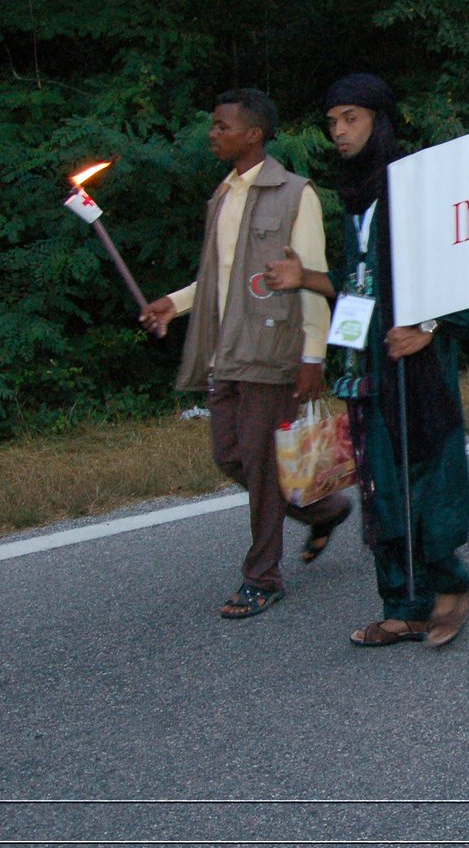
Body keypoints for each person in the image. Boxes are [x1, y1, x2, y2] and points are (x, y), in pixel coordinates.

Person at [270, 74, 469, 648]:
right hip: (367, 365)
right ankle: (402, 606)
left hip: (418, 367)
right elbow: (360, 282)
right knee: (380, 488)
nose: (339, 132)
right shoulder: (355, 196)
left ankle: (451, 584)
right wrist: (308, 279)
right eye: (333, 121)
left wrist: (431, 327)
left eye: (352, 119)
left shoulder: (417, 188)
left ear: (380, 121)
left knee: (430, 482)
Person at [140, 89, 351, 619]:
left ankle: (263, 576)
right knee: (229, 455)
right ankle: (322, 508)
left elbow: (310, 275)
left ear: (253, 134)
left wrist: (313, 356)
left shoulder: (295, 193)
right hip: (227, 348)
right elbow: (222, 277)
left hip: (273, 347)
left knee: (258, 464)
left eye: (221, 126)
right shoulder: (224, 194)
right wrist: (175, 304)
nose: (212, 133)